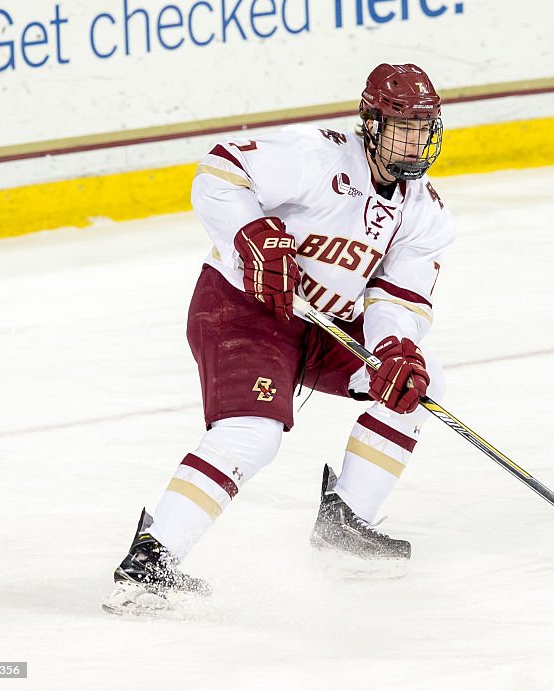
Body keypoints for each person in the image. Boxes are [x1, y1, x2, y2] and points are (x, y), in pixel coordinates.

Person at [103, 63, 454, 615]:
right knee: (252, 435)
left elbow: (397, 300)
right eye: (401, 125)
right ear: (371, 123)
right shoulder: (314, 157)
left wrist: (392, 348)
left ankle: (346, 524)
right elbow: (220, 170)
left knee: (407, 388)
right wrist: (250, 235)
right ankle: (150, 562)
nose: (415, 140)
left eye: (423, 127)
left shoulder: (426, 214)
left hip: (322, 325)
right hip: (244, 308)